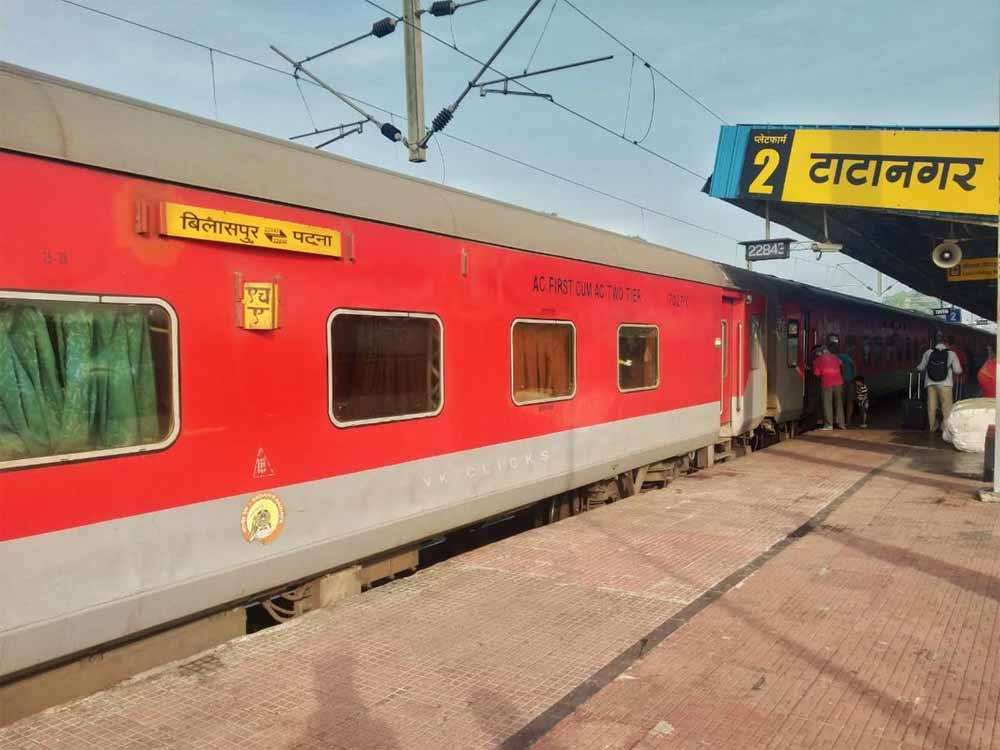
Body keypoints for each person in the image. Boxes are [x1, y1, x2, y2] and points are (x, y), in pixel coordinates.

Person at [916, 331, 963, 433]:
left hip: (930, 384)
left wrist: (917, 368)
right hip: (946, 385)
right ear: (947, 343)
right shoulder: (951, 354)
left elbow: (921, 367)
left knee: (931, 407)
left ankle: (933, 427)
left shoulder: (928, 353)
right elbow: (958, 370)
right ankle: (944, 428)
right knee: (946, 407)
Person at [814, 343, 846, 430]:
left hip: (826, 383)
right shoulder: (835, 357)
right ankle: (841, 423)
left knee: (827, 404)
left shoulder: (818, 360)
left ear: (819, 352)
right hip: (838, 382)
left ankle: (829, 425)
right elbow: (842, 366)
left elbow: (817, 374)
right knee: (839, 403)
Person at [835, 341, 856, 426]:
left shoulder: (840, 356)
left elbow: (852, 365)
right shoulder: (844, 356)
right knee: (849, 401)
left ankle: (842, 420)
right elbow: (853, 366)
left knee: (842, 401)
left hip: (844, 381)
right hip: (849, 381)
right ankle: (847, 420)